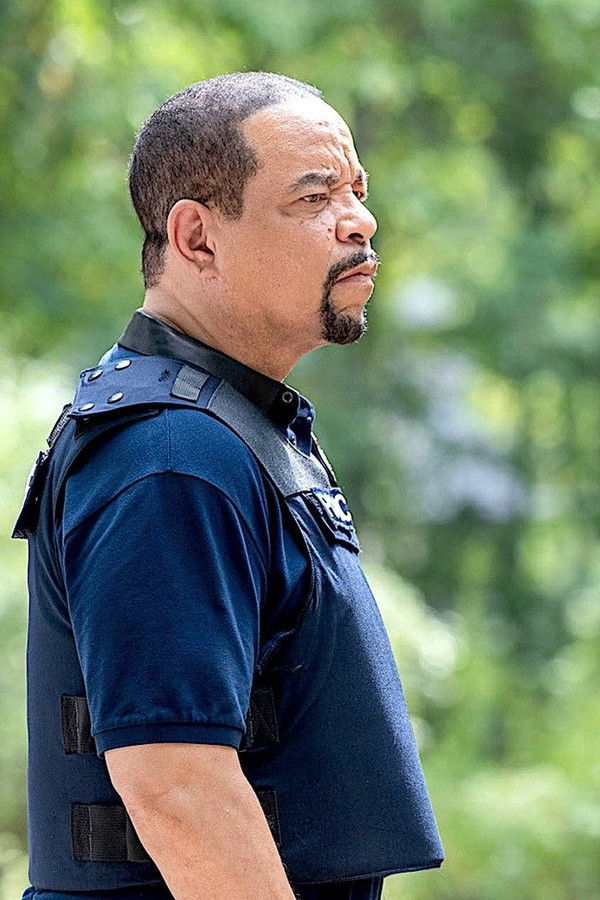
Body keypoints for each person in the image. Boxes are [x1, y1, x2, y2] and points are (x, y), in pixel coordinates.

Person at [14, 71, 445, 899]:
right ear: (198, 238)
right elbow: (177, 787)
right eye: (313, 198)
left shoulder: (233, 429)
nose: (358, 221)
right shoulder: (170, 452)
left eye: (357, 192)